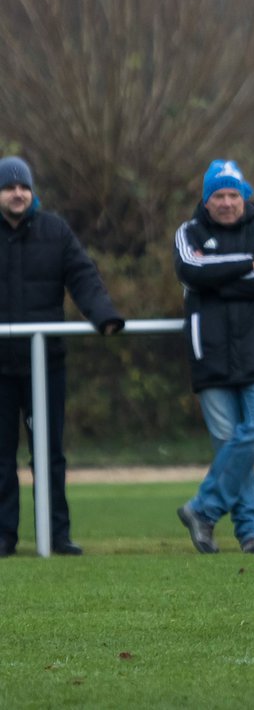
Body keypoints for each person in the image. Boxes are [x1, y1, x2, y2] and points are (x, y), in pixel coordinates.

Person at [0, 156, 124, 557]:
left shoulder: (55, 231)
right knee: (1, 456)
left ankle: (55, 534)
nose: (17, 194)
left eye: (23, 187)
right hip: (0, 367)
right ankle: (4, 537)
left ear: (32, 191)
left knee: (49, 455)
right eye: (8, 187)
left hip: (45, 366)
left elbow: (83, 276)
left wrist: (104, 316)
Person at [173, 160, 254, 555]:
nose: (226, 202)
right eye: (218, 195)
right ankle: (252, 533)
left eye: (232, 194)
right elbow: (191, 271)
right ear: (206, 201)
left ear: (245, 196)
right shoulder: (188, 233)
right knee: (230, 448)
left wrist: (217, 281)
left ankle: (203, 510)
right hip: (210, 357)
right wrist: (244, 266)